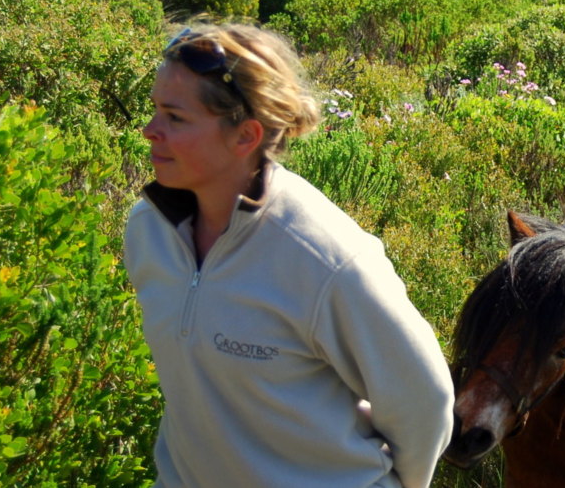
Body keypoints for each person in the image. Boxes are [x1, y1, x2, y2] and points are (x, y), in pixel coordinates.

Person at [124, 24, 454, 488]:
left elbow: (425, 401)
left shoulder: (325, 257)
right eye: (155, 110)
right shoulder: (149, 230)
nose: (150, 131)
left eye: (175, 118)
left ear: (245, 136)